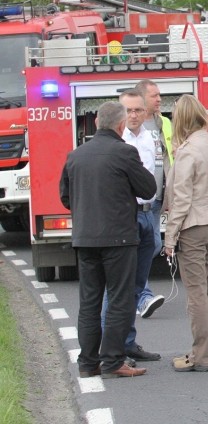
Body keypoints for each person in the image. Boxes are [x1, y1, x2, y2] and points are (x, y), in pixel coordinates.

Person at [60, 101, 156, 379]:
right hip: (119, 239)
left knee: (89, 301)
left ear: (96, 122)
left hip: (85, 238)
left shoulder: (75, 155)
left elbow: (65, 197)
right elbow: (148, 188)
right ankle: (113, 361)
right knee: (119, 299)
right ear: (120, 125)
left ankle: (88, 363)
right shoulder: (125, 153)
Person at [163, 94, 208, 373]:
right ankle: (206, 351)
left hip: (194, 226)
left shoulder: (189, 151)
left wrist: (169, 236)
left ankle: (200, 355)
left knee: (196, 293)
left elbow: (181, 199)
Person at [103, 90, 161, 364]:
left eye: (139, 110)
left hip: (148, 213)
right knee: (117, 286)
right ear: (120, 114)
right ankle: (111, 348)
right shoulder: (118, 141)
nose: (134, 115)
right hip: (127, 216)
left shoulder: (149, 137)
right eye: (129, 111)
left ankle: (127, 342)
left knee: (137, 284)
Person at [135, 78, 171, 318]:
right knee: (146, 246)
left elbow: (170, 156)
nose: (159, 99)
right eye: (154, 95)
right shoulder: (133, 125)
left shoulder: (164, 123)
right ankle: (142, 296)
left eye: (159, 95)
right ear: (141, 98)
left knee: (153, 244)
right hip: (136, 201)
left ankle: (136, 293)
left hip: (157, 198)